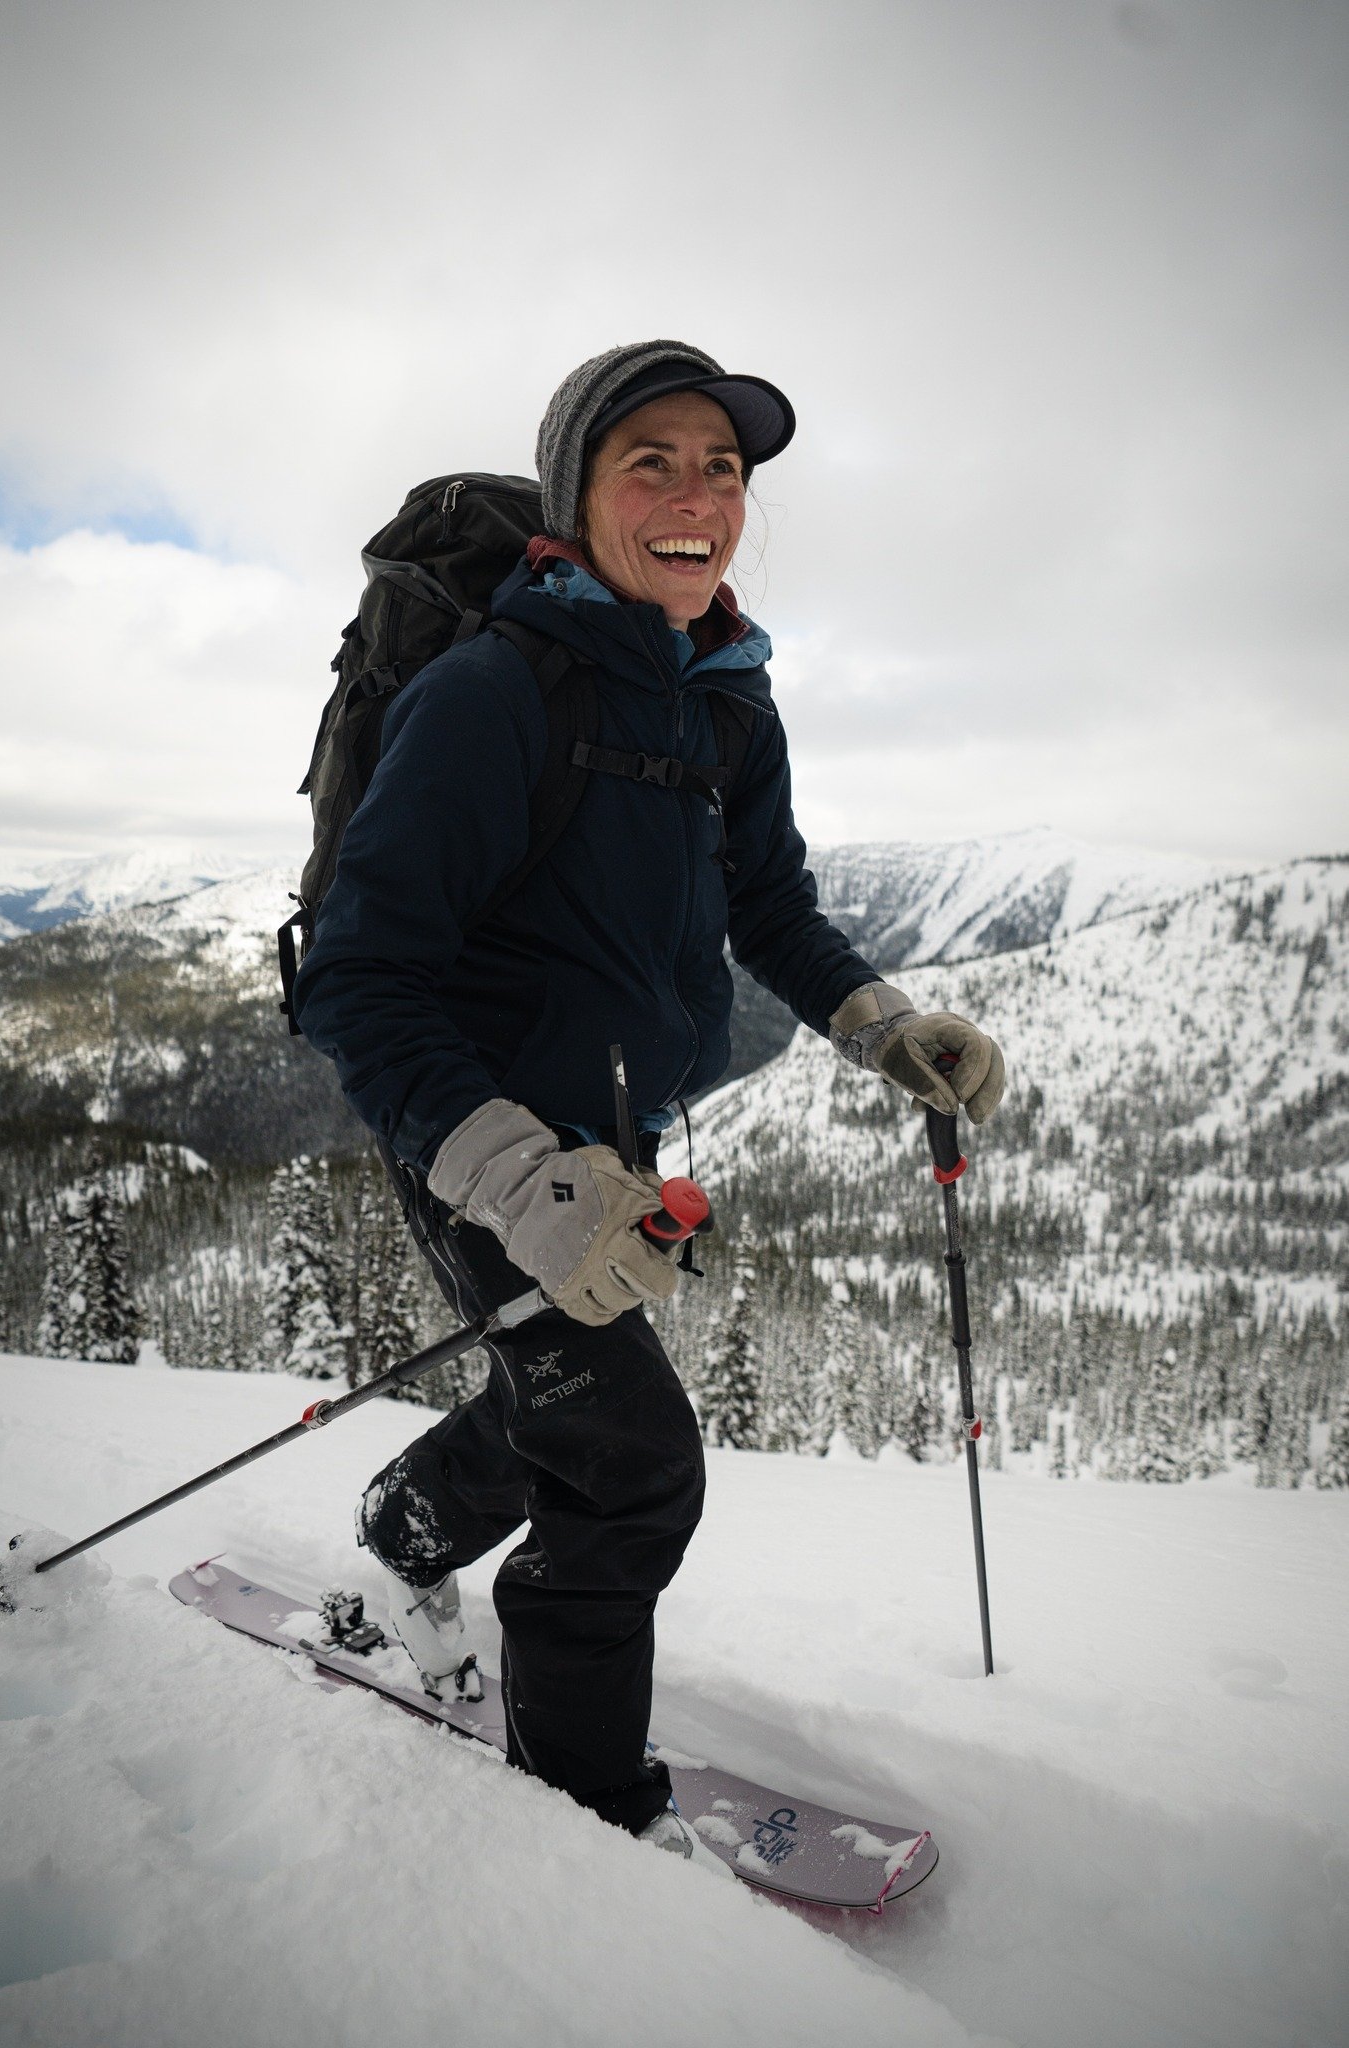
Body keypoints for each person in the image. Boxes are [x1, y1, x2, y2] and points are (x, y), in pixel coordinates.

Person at [293, 338, 1005, 1865]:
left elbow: (774, 906)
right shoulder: (497, 693)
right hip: (476, 1138)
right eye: (653, 462)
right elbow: (356, 975)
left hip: (611, 1154)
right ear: (577, 494)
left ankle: (399, 1542)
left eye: (725, 468)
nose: (697, 495)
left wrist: (888, 1028)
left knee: (557, 1398)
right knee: (630, 1466)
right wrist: (522, 1179)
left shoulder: (726, 705)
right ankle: (588, 1818)